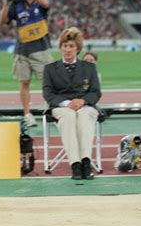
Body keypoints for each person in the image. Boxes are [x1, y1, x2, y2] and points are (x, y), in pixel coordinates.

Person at [42, 27, 101, 180]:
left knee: (84, 115)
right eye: (65, 46)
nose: (67, 50)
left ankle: (85, 162)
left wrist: (82, 101)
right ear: (60, 47)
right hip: (61, 107)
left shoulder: (89, 67)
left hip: (85, 106)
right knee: (68, 116)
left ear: (78, 49)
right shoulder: (49, 69)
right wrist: (67, 103)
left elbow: (95, 92)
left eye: (71, 46)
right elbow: (48, 94)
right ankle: (75, 164)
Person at [0, 0, 53, 128]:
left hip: (41, 48)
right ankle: (27, 114)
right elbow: (2, 21)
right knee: (24, 83)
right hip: (22, 50)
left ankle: (51, 110)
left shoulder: (41, 1)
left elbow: (46, 3)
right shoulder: (17, 4)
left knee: (47, 82)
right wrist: (7, 2)